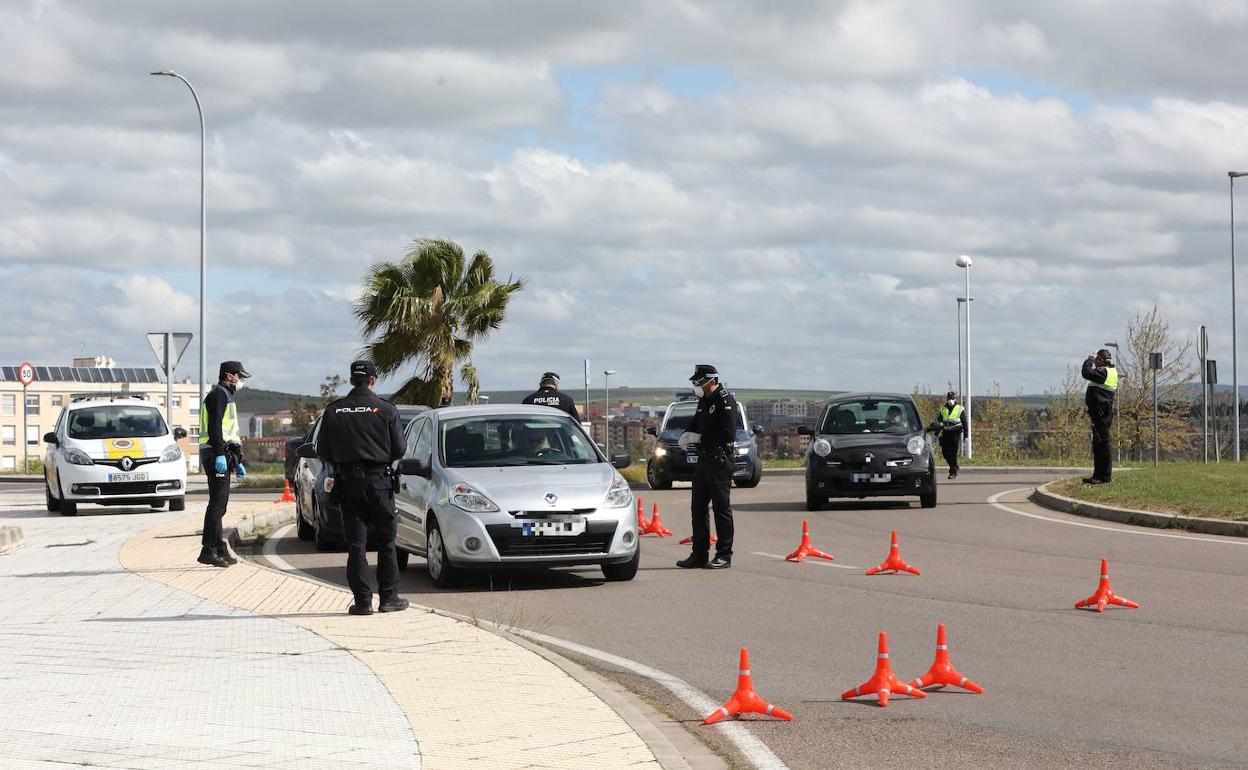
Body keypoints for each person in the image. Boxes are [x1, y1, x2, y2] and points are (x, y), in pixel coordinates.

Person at [316, 360, 409, 615]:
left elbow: (321, 449)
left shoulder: (334, 410)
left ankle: (363, 602)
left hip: (348, 484)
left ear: (350, 380)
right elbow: (400, 449)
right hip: (379, 483)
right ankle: (389, 598)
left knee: (356, 545)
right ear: (373, 380)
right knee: (386, 542)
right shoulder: (386, 409)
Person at [676, 364, 739, 570]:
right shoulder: (704, 401)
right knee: (698, 508)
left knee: (721, 509)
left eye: (698, 382)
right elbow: (696, 423)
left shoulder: (725, 400)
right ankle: (699, 554)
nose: (696, 386)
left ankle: (724, 555)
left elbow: (728, 434)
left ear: (711, 381)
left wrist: (701, 437)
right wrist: (686, 434)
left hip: (720, 461)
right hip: (703, 461)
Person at [197, 361, 249, 568]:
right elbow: (215, 427)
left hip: (222, 453)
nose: (240, 380)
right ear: (229, 376)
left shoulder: (225, 396)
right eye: (239, 376)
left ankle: (218, 547)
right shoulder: (219, 395)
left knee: (221, 505)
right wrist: (219, 453)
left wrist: (237, 461)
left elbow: (229, 431)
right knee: (217, 504)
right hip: (215, 453)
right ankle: (208, 549)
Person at [1081, 348, 1118, 485]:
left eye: (1096, 360)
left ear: (1101, 360)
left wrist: (1089, 359)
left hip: (1101, 412)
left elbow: (1086, 372)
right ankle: (1098, 476)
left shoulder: (1104, 372)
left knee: (1102, 443)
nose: (1095, 362)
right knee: (1098, 443)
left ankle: (1104, 477)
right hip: (1100, 412)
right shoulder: (1110, 371)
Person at [933, 391, 968, 479]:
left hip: (956, 434)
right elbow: (939, 423)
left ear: (955, 399)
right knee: (945, 453)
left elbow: (965, 423)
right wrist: (936, 435)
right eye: (949, 398)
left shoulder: (960, 409)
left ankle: (953, 472)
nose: (950, 400)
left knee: (953, 453)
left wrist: (966, 436)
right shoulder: (943, 409)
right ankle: (955, 466)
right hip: (946, 434)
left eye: (952, 398)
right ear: (947, 399)